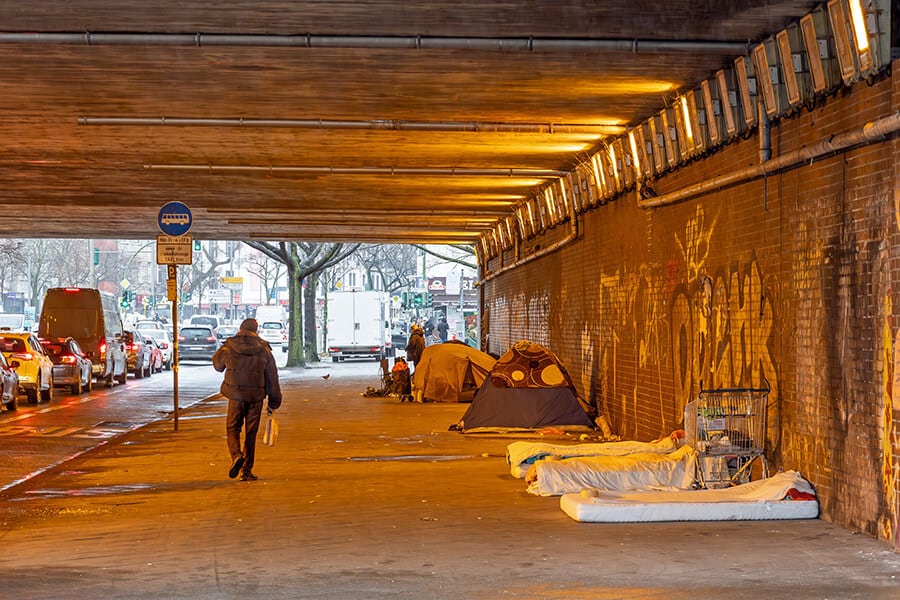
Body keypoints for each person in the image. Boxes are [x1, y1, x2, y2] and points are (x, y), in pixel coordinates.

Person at [213, 318, 282, 482]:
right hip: (256, 397)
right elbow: (272, 377)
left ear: (240, 329)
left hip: (235, 394)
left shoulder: (229, 346)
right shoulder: (264, 349)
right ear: (256, 330)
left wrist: (223, 350)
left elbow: (217, 365)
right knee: (251, 433)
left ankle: (236, 456)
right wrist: (274, 401)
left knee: (232, 428)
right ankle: (247, 470)